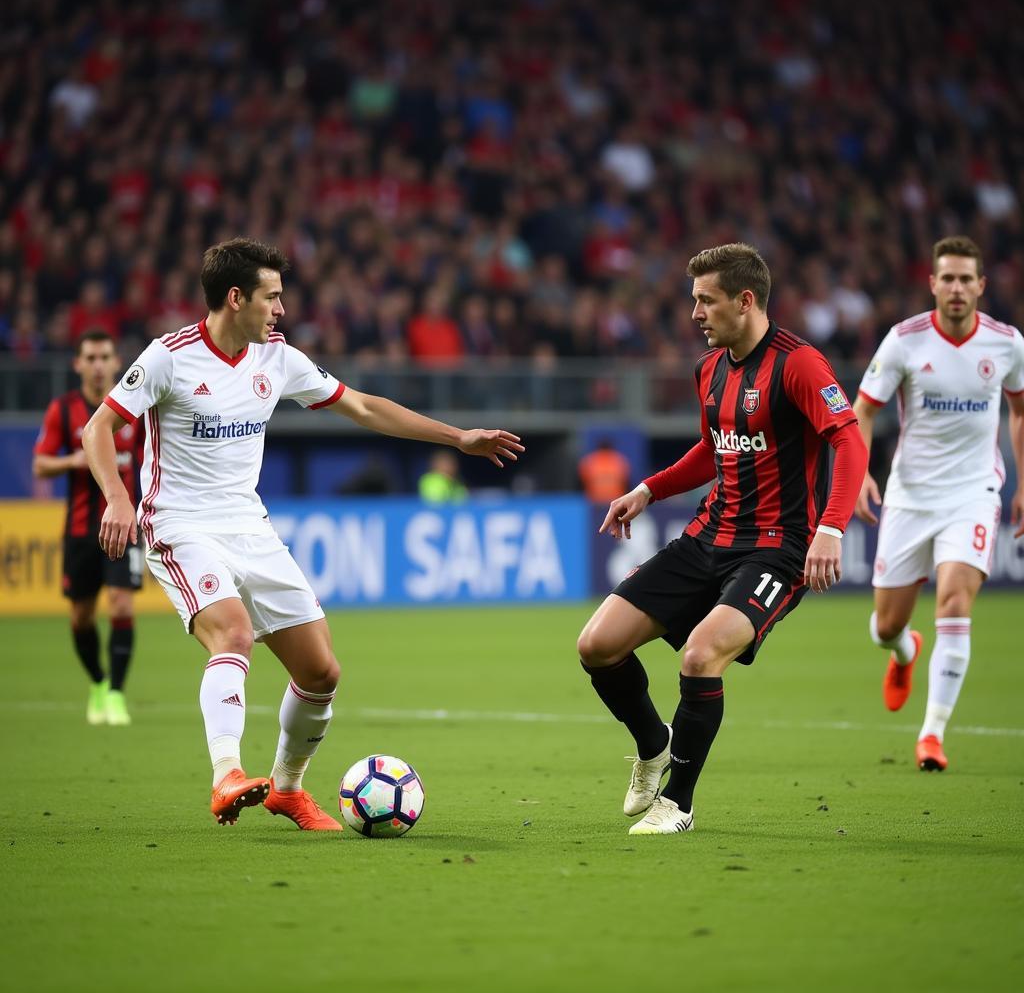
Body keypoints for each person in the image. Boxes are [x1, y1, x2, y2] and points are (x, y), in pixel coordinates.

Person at [83, 238, 524, 831]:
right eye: (272, 298)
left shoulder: (277, 359)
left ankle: (286, 789)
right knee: (233, 633)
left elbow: (364, 408)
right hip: (180, 524)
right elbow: (99, 428)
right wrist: (117, 498)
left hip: (249, 525)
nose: (281, 310)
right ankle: (225, 774)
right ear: (235, 298)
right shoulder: (169, 357)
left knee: (321, 672)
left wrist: (457, 438)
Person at [577, 243, 868, 835]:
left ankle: (677, 803)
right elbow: (714, 448)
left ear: (745, 300)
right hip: (708, 535)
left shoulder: (800, 365)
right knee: (596, 646)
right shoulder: (710, 369)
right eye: (694, 301)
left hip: (778, 548)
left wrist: (832, 528)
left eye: (705, 300)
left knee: (701, 656)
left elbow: (850, 441)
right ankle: (654, 747)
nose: (695, 313)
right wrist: (649, 490)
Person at [852, 236, 1024, 772]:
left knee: (954, 601)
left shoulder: (1007, 344)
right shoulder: (905, 341)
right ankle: (905, 650)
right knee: (884, 627)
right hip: (910, 496)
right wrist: (858, 476)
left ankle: (931, 735)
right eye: (945, 278)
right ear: (932, 283)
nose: (955, 288)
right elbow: (861, 409)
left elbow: (1020, 412)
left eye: (964, 279)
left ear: (980, 286)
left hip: (974, 493)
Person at [33, 331, 145, 726]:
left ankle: (115, 693)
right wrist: (75, 461)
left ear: (117, 363)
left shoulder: (134, 410)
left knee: (121, 603)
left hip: (126, 526)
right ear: (78, 364)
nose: (98, 365)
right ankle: (97, 682)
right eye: (91, 358)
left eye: (105, 357)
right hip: (81, 528)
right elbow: (40, 464)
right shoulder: (63, 410)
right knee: (80, 617)